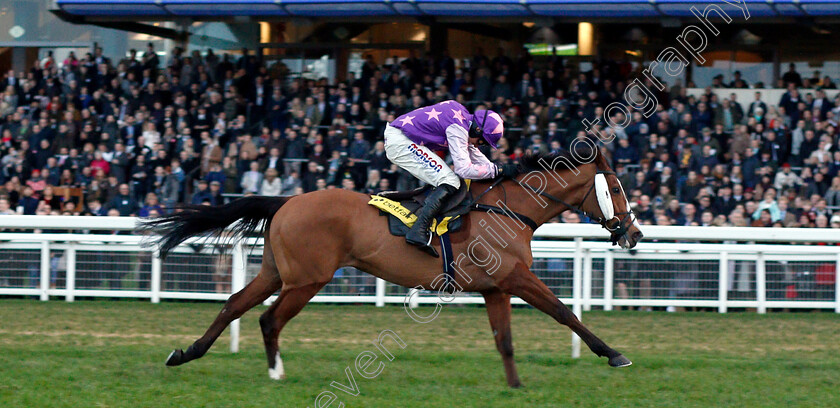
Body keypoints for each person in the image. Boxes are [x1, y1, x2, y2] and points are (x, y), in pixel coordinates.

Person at [383, 100, 515, 256]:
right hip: (400, 142)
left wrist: (502, 170)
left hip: (404, 137)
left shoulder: (464, 120)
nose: (480, 145)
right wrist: (497, 169)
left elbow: (477, 156)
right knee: (450, 180)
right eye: (482, 141)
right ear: (477, 130)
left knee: (447, 178)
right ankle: (418, 230)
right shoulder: (458, 128)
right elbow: (464, 169)